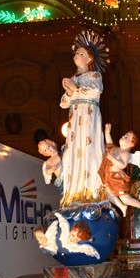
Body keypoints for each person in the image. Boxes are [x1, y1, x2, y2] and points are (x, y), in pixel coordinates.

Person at [60, 29, 109, 208]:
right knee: (73, 152)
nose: (77, 55)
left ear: (89, 59)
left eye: (81, 53)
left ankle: (91, 191)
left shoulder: (94, 75)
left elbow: (96, 91)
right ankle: (74, 192)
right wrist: (69, 90)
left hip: (88, 116)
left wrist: (76, 89)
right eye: (76, 52)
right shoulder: (74, 77)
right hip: (74, 119)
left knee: (89, 150)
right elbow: (64, 104)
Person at [99, 123, 140, 217]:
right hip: (108, 177)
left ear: (131, 144)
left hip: (117, 178)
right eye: (124, 135)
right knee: (107, 193)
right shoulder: (115, 148)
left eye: (127, 137)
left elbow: (123, 165)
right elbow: (109, 144)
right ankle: (121, 206)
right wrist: (107, 132)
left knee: (125, 199)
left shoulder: (125, 153)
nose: (123, 136)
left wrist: (112, 159)